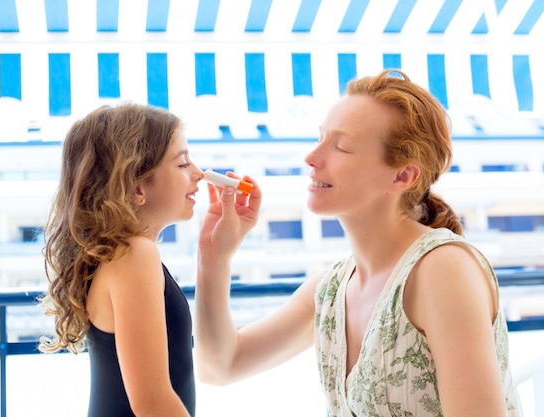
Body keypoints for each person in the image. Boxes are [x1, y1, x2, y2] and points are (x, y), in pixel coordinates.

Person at [195, 69, 522, 417]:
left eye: (341, 146)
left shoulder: (443, 269)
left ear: (402, 176)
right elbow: (221, 366)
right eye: (321, 137)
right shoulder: (333, 288)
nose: (311, 157)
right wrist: (213, 257)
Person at [39, 102, 203, 417]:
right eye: (182, 164)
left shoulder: (120, 255)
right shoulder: (136, 255)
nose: (199, 173)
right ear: (137, 187)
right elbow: (152, 403)